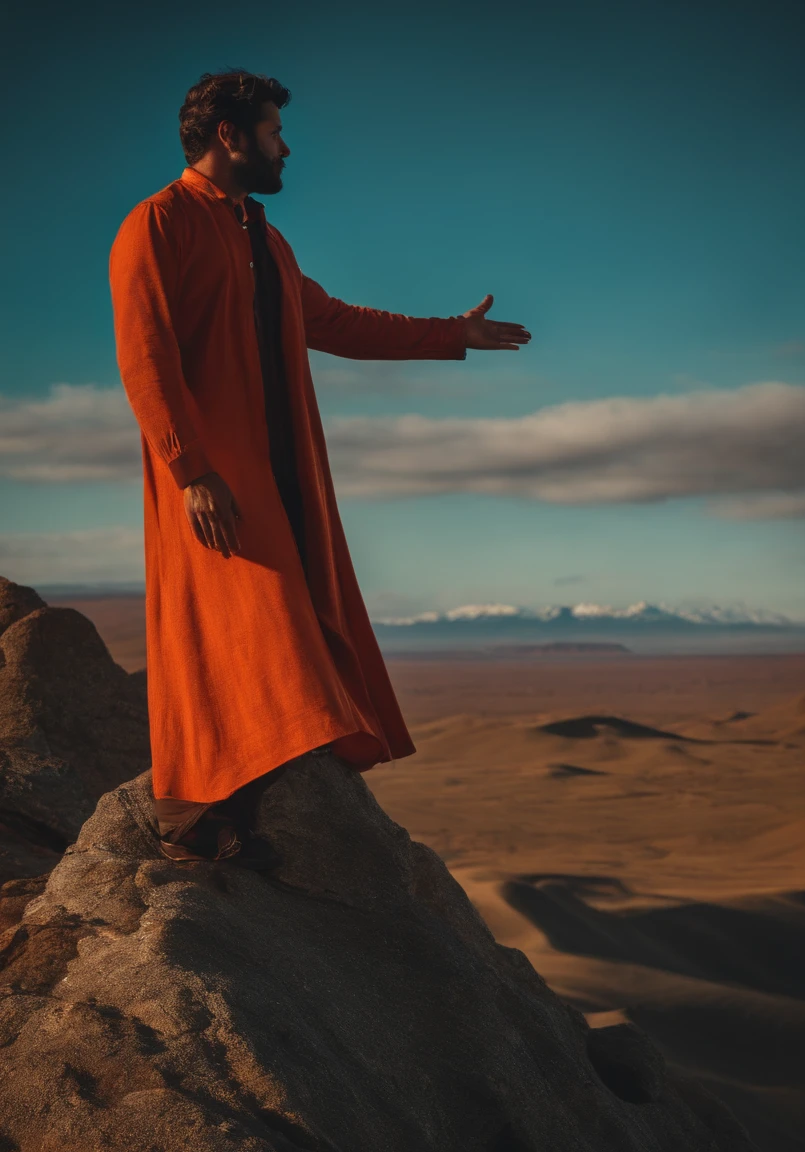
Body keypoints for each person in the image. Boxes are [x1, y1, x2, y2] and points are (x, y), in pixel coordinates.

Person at [108, 69, 531, 865]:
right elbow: (146, 354)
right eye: (273, 131)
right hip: (215, 474)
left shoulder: (264, 238)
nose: (286, 145)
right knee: (232, 625)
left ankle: (253, 805)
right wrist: (191, 469)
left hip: (284, 468)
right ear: (229, 135)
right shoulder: (156, 225)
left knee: (285, 621)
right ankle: (191, 811)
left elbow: (330, 320)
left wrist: (451, 335)